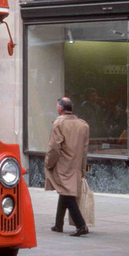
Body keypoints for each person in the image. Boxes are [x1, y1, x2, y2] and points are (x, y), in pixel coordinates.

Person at [45, 96, 90, 237]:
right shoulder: (83, 125)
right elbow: (84, 150)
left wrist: (48, 163)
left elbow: (54, 148)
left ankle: (81, 225)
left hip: (62, 165)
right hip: (76, 165)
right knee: (65, 192)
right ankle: (59, 224)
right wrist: (83, 169)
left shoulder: (58, 123)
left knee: (67, 194)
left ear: (60, 109)